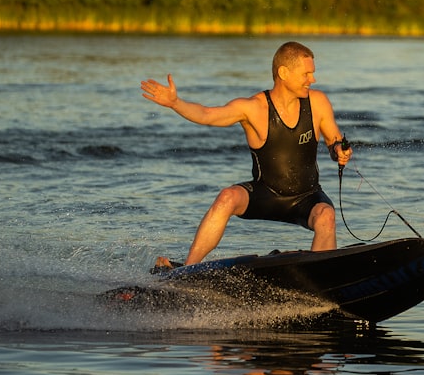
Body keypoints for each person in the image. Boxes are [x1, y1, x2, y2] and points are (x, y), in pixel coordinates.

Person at [141, 41, 352, 265]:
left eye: (312, 73)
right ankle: (187, 270)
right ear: (284, 73)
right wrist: (176, 103)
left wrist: (339, 150)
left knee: (326, 216)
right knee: (227, 197)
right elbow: (207, 115)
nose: (312, 79)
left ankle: (321, 277)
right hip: (266, 194)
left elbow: (333, 140)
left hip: (306, 197)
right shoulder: (253, 108)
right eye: (306, 74)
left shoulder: (318, 102)